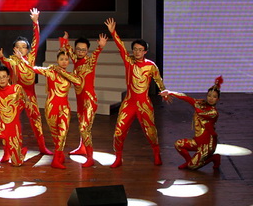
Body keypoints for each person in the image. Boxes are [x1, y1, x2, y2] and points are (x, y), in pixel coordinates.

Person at [105, 18, 164, 168]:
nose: (137, 52)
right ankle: (118, 157)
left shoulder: (151, 66)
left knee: (150, 132)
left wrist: (164, 92)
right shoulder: (129, 61)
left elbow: (158, 80)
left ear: (145, 51)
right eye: (135, 49)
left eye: (140, 50)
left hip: (144, 104)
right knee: (119, 131)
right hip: (129, 103)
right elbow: (121, 47)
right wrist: (113, 32)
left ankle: (156, 153)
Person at [0, 8, 53, 155]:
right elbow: (6, 63)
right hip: (16, 96)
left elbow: (36, 39)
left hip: (30, 95)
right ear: (14, 49)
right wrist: (1, 57)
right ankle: (7, 151)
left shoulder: (31, 58)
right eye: (18, 47)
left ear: (27, 50)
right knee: (9, 121)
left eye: (23, 47)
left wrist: (35, 22)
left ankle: (42, 147)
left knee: (36, 120)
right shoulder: (12, 60)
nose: (21, 49)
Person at [20, 50, 82, 169]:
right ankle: (59, 155)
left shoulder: (70, 75)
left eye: (66, 59)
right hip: (51, 107)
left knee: (63, 133)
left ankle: (56, 159)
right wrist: (22, 59)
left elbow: (78, 82)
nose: (64, 62)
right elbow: (32, 68)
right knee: (55, 134)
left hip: (64, 108)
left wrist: (61, 71)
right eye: (61, 59)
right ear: (57, 60)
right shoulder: (50, 71)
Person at [60, 32, 107, 167]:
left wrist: (100, 46)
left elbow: (96, 54)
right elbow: (67, 49)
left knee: (84, 128)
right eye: (78, 49)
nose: (80, 52)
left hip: (89, 101)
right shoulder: (75, 59)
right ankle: (82, 148)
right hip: (80, 100)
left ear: (87, 50)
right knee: (81, 125)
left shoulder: (90, 61)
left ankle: (90, 157)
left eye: (84, 50)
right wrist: (65, 39)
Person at [160, 76, 222, 170]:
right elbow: (186, 97)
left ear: (218, 99)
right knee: (178, 144)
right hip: (197, 141)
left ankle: (214, 157)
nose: (211, 98)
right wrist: (169, 92)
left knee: (193, 166)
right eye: (209, 95)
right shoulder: (200, 104)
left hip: (207, 145)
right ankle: (188, 162)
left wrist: (195, 103)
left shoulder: (213, 113)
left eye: (214, 97)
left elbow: (200, 112)